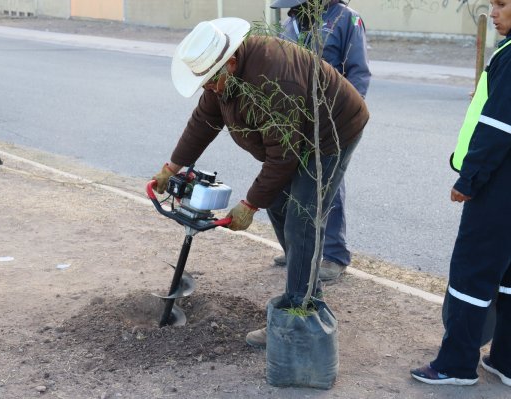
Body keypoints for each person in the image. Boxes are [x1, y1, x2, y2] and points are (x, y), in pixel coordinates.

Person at [152, 17, 369, 348]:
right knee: (280, 206)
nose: (210, 89)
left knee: (302, 220)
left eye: (212, 82)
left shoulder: (273, 79)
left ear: (232, 62)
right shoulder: (221, 77)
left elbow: (283, 156)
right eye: (205, 84)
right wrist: (172, 166)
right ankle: (307, 289)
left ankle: (296, 317)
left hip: (330, 132)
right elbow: (204, 121)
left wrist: (250, 204)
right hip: (298, 133)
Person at [411, 0, 511, 386]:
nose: (494, 11)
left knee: (472, 273)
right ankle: (504, 359)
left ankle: (455, 365)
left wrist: (468, 181)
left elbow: (498, 128)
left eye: (501, 4)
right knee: (507, 277)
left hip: (499, 188)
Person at [270, 0, 371, 282]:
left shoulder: (347, 20)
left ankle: (334, 256)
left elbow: (359, 72)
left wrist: (346, 114)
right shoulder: (292, 21)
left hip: (332, 119)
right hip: (296, 119)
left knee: (328, 187)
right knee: (292, 183)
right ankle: (299, 252)